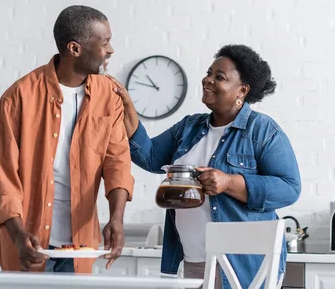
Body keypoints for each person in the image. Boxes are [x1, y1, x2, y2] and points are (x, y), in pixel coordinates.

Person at [109, 44, 301, 289]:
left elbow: (290, 187)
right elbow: (150, 157)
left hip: (241, 263)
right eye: (209, 73)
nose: (207, 80)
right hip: (193, 259)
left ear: (242, 90)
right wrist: (127, 107)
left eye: (218, 77)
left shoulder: (262, 130)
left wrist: (228, 182)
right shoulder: (189, 127)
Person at [0, 5, 134, 274]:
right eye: (105, 43)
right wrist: (18, 236)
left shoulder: (109, 96)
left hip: (80, 249)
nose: (111, 49)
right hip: (27, 248)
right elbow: (4, 178)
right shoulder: (18, 97)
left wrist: (117, 218)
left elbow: (118, 163)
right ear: (75, 49)